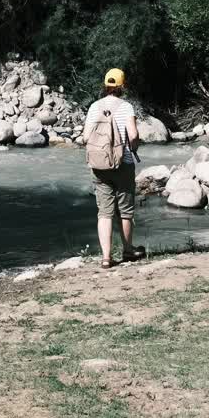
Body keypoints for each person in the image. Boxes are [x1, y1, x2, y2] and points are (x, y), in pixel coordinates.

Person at [82, 68, 145, 268]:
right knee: (125, 210)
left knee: (104, 212)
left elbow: (84, 137)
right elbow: (133, 135)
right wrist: (133, 148)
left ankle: (106, 258)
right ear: (122, 86)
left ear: (105, 85)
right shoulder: (126, 107)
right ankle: (127, 251)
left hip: (99, 165)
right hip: (123, 164)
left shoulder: (94, 107)